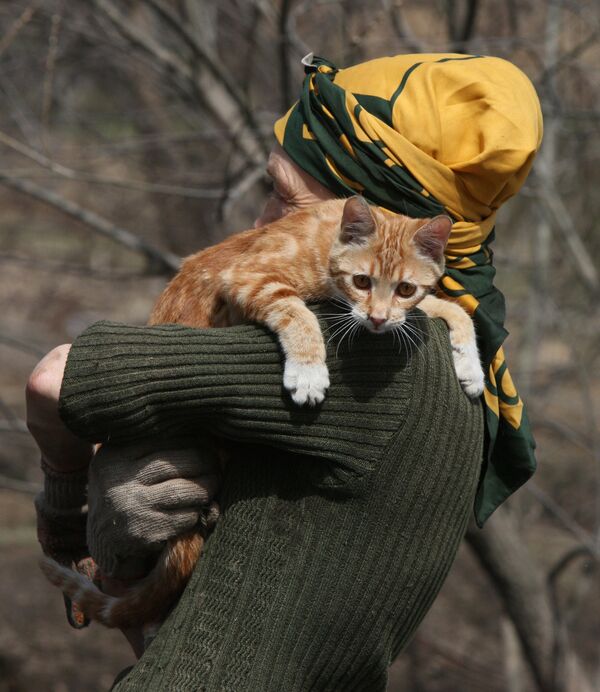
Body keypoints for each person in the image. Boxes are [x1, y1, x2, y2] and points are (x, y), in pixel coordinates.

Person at [27, 53, 542, 690]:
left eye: (285, 198)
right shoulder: (457, 356)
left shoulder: (366, 353)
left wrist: (65, 508)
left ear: (367, 220)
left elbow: (55, 380)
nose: (260, 221)